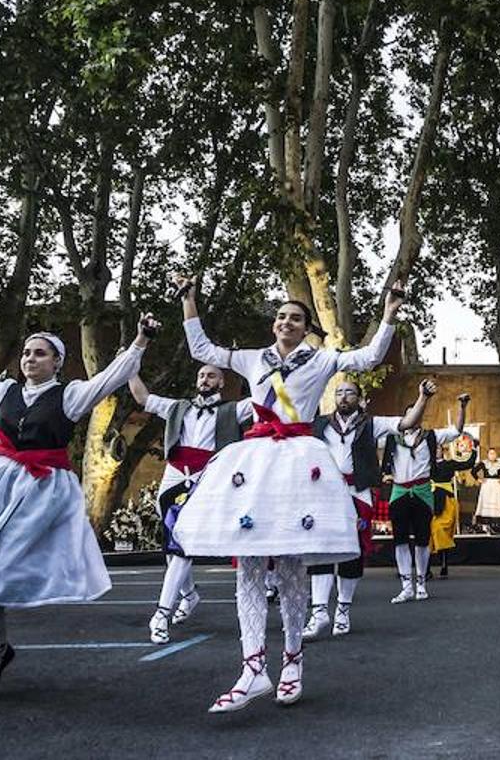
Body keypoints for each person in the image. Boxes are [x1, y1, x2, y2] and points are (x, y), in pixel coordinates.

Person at [172, 277, 403, 711]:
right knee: (250, 567)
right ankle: (253, 667)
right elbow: (203, 350)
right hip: (256, 462)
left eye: (295, 318)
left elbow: (370, 357)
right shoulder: (250, 359)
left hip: (298, 463)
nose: (286, 322)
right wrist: (189, 302)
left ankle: (293, 660)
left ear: (306, 327)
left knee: (294, 565)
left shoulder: (321, 361)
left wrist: (388, 313)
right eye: (281, 316)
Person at [0, 315, 157, 711]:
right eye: (26, 352)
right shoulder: (5, 392)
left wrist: (141, 341)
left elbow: (110, 377)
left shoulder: (69, 396)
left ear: (57, 362)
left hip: (39, 496)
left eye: (40, 353)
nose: (30, 358)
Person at [129, 368, 253, 645]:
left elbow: (264, 400)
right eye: (201, 376)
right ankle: (189, 594)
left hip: (207, 478)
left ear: (221, 382)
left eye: (211, 376)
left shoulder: (233, 410)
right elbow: (142, 396)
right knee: (172, 543)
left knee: (182, 543)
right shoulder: (178, 407)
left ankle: (161, 614)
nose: (205, 380)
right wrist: (129, 365)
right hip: (173, 477)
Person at [302, 380, 424, 640]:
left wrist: (423, 397)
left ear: (359, 397)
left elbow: (406, 423)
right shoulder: (320, 424)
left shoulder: (372, 423)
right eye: (339, 392)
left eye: (349, 393)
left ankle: (343, 611)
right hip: (324, 494)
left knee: (352, 553)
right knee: (321, 549)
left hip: (358, 494)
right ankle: (319, 612)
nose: (344, 397)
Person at [381, 382, 464, 603]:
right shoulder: (391, 437)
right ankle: (405, 585)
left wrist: (462, 407)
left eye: (417, 413)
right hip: (399, 491)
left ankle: (421, 584)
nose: (413, 418)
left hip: (422, 491)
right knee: (399, 540)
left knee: (422, 539)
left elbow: (457, 431)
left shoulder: (431, 436)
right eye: (410, 414)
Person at [428, 429, 479, 579]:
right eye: (434, 448)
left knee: (441, 531)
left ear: (442, 451)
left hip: (445, 500)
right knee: (427, 534)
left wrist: (474, 449)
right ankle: (426, 568)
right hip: (429, 500)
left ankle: (444, 564)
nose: (436, 451)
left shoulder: (449, 464)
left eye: (438, 448)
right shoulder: (424, 465)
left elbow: (468, 463)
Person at [473, 448, 500, 534]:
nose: (492, 455)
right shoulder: (483, 463)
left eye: (494, 453)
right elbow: (473, 471)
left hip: (496, 485)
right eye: (490, 453)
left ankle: (495, 526)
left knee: (496, 503)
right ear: (488, 455)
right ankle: (485, 526)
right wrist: (478, 479)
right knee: (485, 503)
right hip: (487, 484)